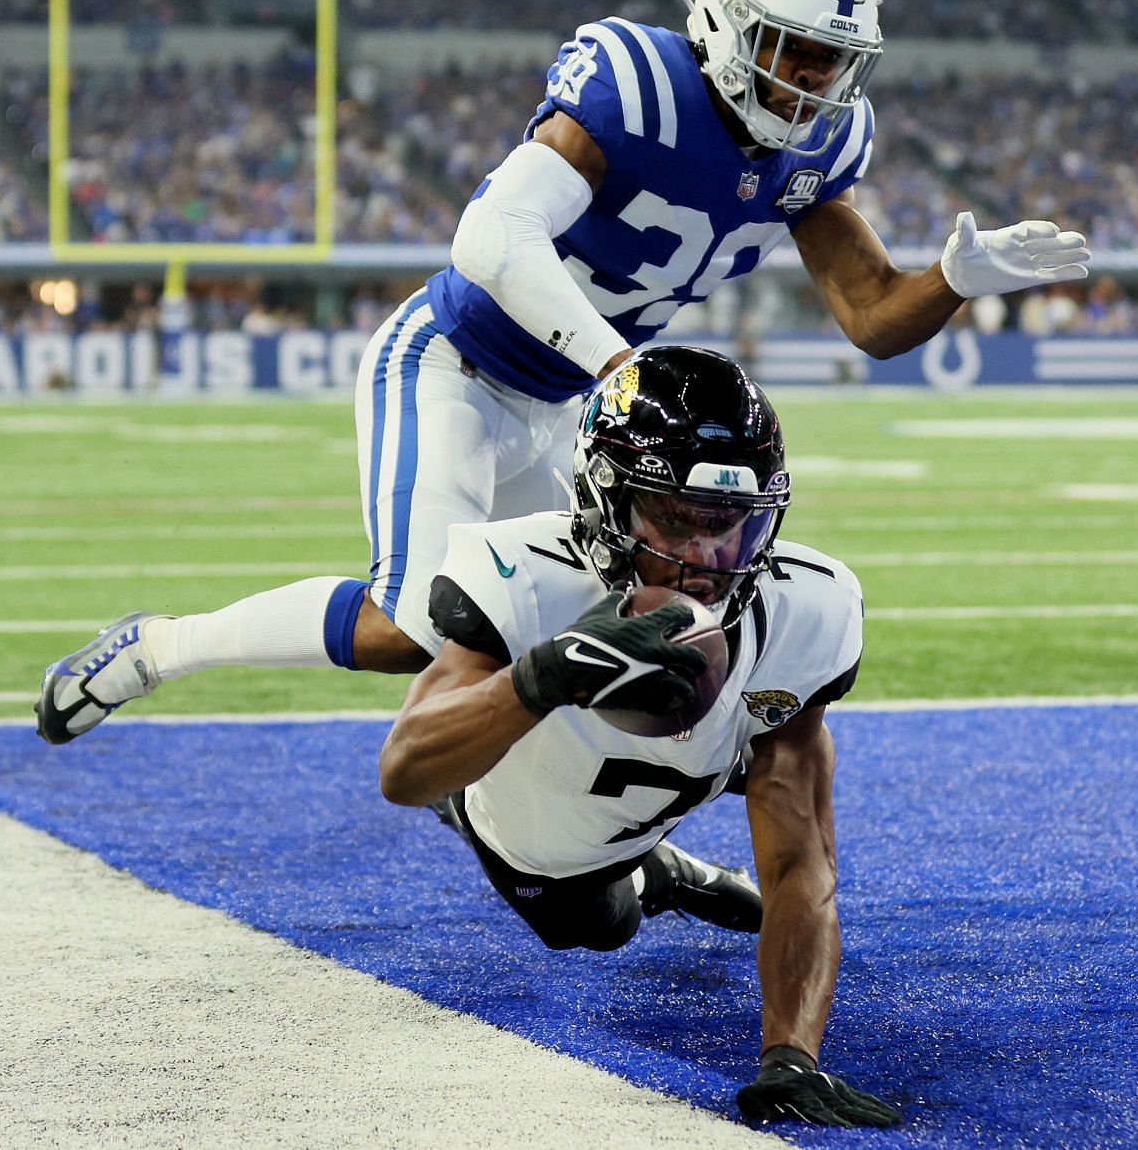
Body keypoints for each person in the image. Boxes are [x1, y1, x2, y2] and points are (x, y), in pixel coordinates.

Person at [35, 0, 1089, 743]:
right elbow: (490, 237)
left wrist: (957, 274)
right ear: (724, 24)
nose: (811, 81)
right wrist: (621, 364)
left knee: (586, 634)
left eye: (830, 58)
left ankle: (588, 829)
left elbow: (871, 316)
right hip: (453, 364)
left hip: (569, 407)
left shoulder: (820, 146)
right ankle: (159, 648)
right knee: (416, 625)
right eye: (791, 49)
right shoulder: (639, 83)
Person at [379, 346, 898, 1129]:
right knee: (587, 927)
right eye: (678, 521)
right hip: (534, 804)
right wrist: (548, 675)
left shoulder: (805, 611)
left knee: (760, 750)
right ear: (601, 497)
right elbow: (403, 769)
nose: (705, 561)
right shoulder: (521, 570)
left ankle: (657, 853)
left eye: (731, 525)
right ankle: (658, 876)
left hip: (705, 757)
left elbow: (800, 858)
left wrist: (791, 1058)